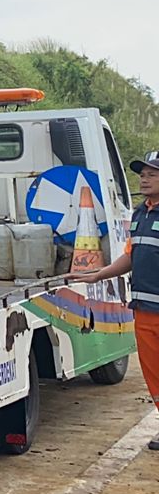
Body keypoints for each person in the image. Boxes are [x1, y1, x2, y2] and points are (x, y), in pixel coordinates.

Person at [72, 149, 159, 452]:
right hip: (145, 311)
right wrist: (100, 274)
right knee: (153, 373)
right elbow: (131, 256)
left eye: (152, 174)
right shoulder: (140, 213)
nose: (143, 178)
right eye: (142, 173)